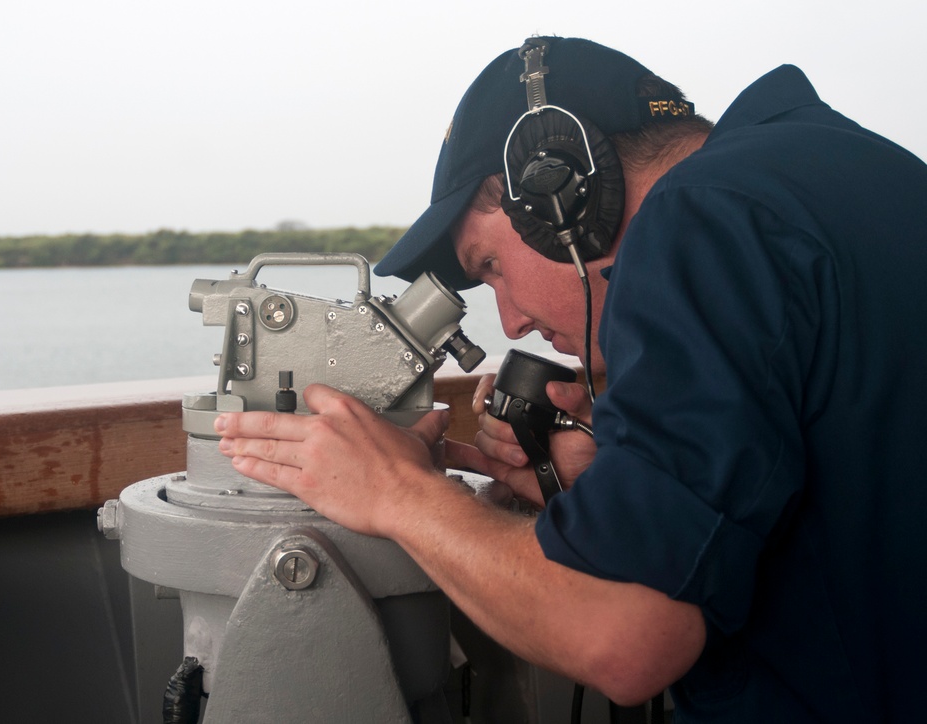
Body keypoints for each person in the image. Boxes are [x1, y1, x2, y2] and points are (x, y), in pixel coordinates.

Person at [213, 36, 927, 722]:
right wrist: (614, 489)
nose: (514, 323)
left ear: (561, 198)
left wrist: (395, 493)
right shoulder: (846, 170)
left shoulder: (695, 220)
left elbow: (624, 635)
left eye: (489, 265)